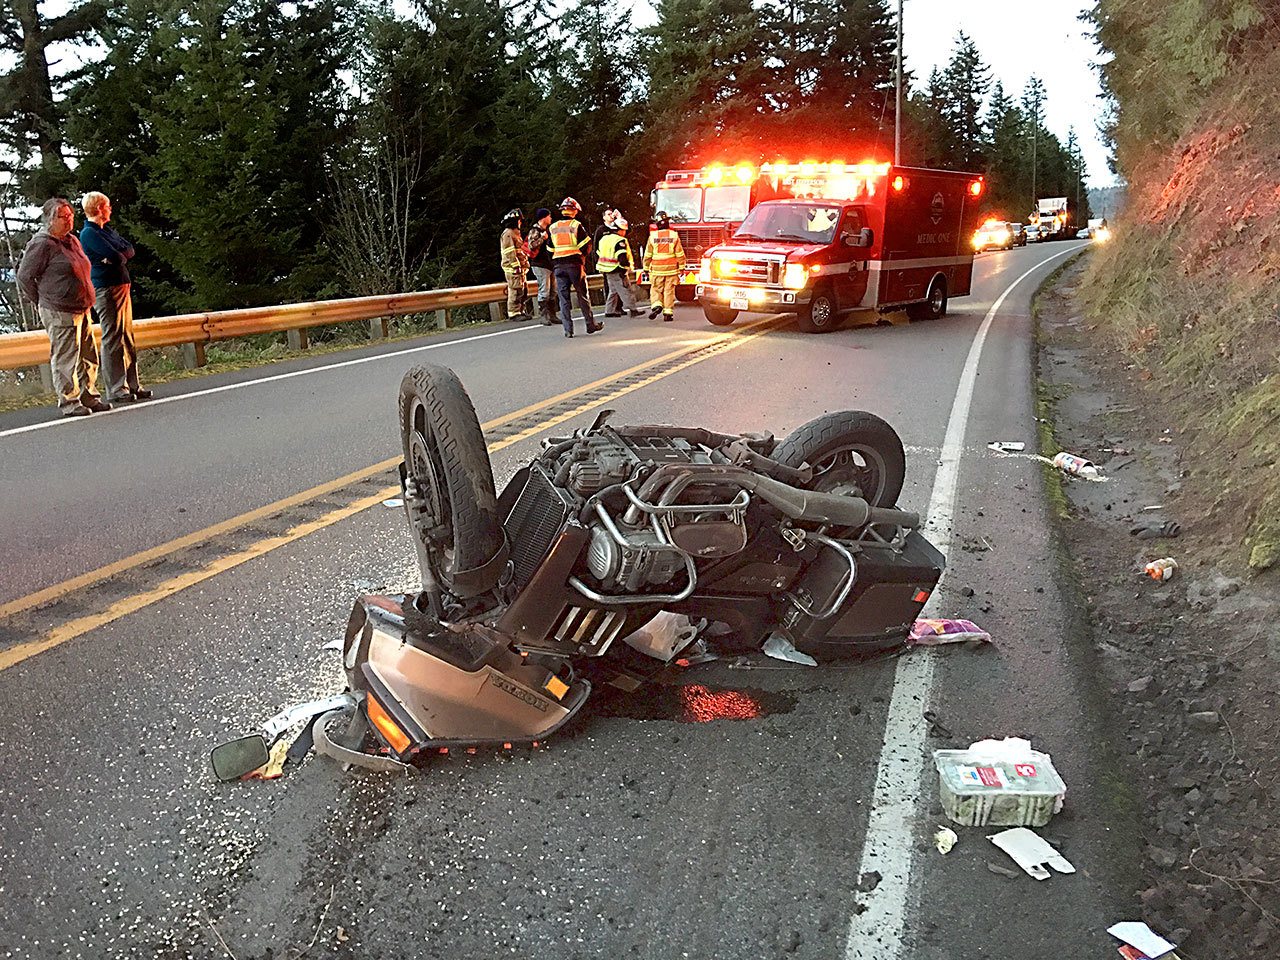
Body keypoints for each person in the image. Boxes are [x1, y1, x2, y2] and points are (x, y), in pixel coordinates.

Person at [17, 198, 108, 417]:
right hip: (59, 309)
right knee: (66, 357)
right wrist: (41, 300)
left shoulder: (71, 241)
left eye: (70, 216)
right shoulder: (42, 244)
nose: (69, 221)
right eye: (63, 217)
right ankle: (70, 401)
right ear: (50, 219)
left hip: (81, 307)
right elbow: (24, 277)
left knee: (88, 355)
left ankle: (89, 395)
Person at [80, 191, 151, 403]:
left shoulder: (106, 230)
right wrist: (114, 257)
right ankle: (116, 388)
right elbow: (115, 255)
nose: (110, 209)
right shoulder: (89, 233)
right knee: (113, 337)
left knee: (127, 337)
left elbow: (127, 251)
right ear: (100, 208)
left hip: (121, 285)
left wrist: (116, 257)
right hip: (107, 289)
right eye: (108, 206)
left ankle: (133, 384)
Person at [549, 196, 600, 338]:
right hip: (574, 265)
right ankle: (590, 325)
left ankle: (568, 330)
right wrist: (581, 258)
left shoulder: (553, 227)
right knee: (582, 295)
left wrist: (555, 262)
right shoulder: (576, 225)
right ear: (573, 211)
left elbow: (548, 249)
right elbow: (587, 245)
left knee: (563, 299)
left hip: (558, 266)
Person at [643, 211, 686, 322]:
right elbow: (680, 254)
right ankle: (668, 313)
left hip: (657, 270)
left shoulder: (652, 237)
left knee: (656, 289)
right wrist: (682, 267)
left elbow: (648, 254)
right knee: (669, 290)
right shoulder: (674, 235)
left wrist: (646, 268)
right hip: (671, 269)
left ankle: (657, 305)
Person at [598, 217, 641, 317]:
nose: (625, 233)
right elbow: (622, 257)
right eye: (624, 230)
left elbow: (599, 252)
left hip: (606, 268)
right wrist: (625, 268)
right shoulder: (619, 240)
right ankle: (633, 309)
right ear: (620, 230)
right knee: (625, 290)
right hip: (616, 268)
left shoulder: (604, 239)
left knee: (613, 290)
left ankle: (609, 311)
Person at [498, 208, 532, 322]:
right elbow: (510, 253)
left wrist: (525, 264)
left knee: (522, 290)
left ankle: (521, 311)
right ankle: (513, 313)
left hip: (520, 268)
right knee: (515, 290)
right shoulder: (508, 234)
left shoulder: (515, 233)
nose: (520, 223)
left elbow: (520, 250)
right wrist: (516, 266)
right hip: (513, 269)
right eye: (519, 221)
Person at [526, 208, 557, 326]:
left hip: (550, 264)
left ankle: (552, 315)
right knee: (544, 290)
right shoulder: (535, 230)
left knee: (553, 290)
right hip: (539, 264)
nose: (551, 218)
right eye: (549, 216)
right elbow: (531, 246)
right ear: (544, 217)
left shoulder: (548, 230)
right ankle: (544, 315)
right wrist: (542, 239)